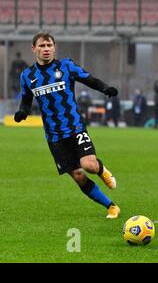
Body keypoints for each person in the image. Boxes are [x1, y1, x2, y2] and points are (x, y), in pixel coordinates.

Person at [13, 32, 120, 218]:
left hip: (75, 126)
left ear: (54, 47)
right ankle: (111, 206)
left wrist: (105, 88)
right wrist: (23, 112)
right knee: (78, 176)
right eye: (41, 46)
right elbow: (26, 100)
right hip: (54, 136)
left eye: (49, 45)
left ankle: (102, 170)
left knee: (90, 166)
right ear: (34, 49)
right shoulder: (27, 75)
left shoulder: (66, 66)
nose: (46, 49)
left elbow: (89, 79)